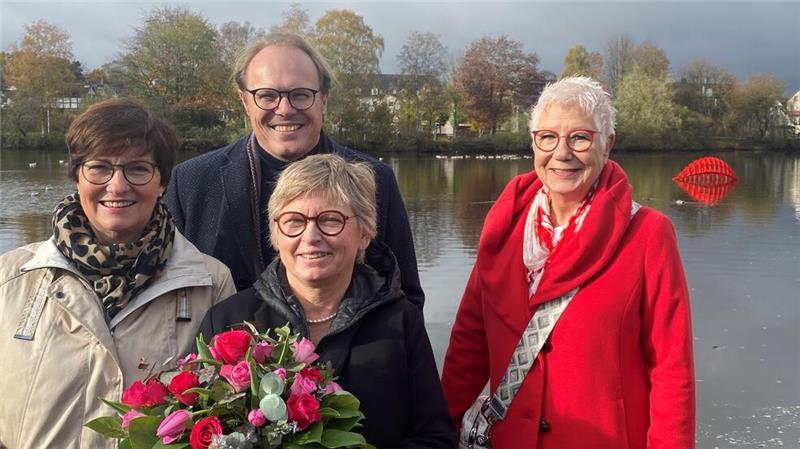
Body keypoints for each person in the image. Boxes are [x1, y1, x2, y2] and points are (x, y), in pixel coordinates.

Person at [441, 77, 695, 448]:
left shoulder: (648, 235)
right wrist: (439, 432)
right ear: (534, 143)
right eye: (548, 137)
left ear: (608, 144)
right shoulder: (505, 225)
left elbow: (672, 370)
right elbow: (469, 344)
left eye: (580, 138)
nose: (561, 153)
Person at [0, 98, 235, 449]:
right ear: (76, 175)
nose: (118, 185)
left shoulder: (211, 284)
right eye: (99, 167)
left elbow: (225, 415)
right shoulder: (10, 277)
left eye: (138, 169)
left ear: (162, 182)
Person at [198, 154, 455, 448]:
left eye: (331, 220)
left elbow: (435, 438)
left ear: (365, 233)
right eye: (294, 221)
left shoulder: (400, 322)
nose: (311, 236)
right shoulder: (228, 321)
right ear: (276, 235)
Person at [165, 33, 424, 309]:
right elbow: (169, 300)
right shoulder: (192, 182)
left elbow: (405, 301)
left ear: (324, 99)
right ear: (244, 101)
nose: (285, 109)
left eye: (300, 95)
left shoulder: (376, 180)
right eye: (267, 96)